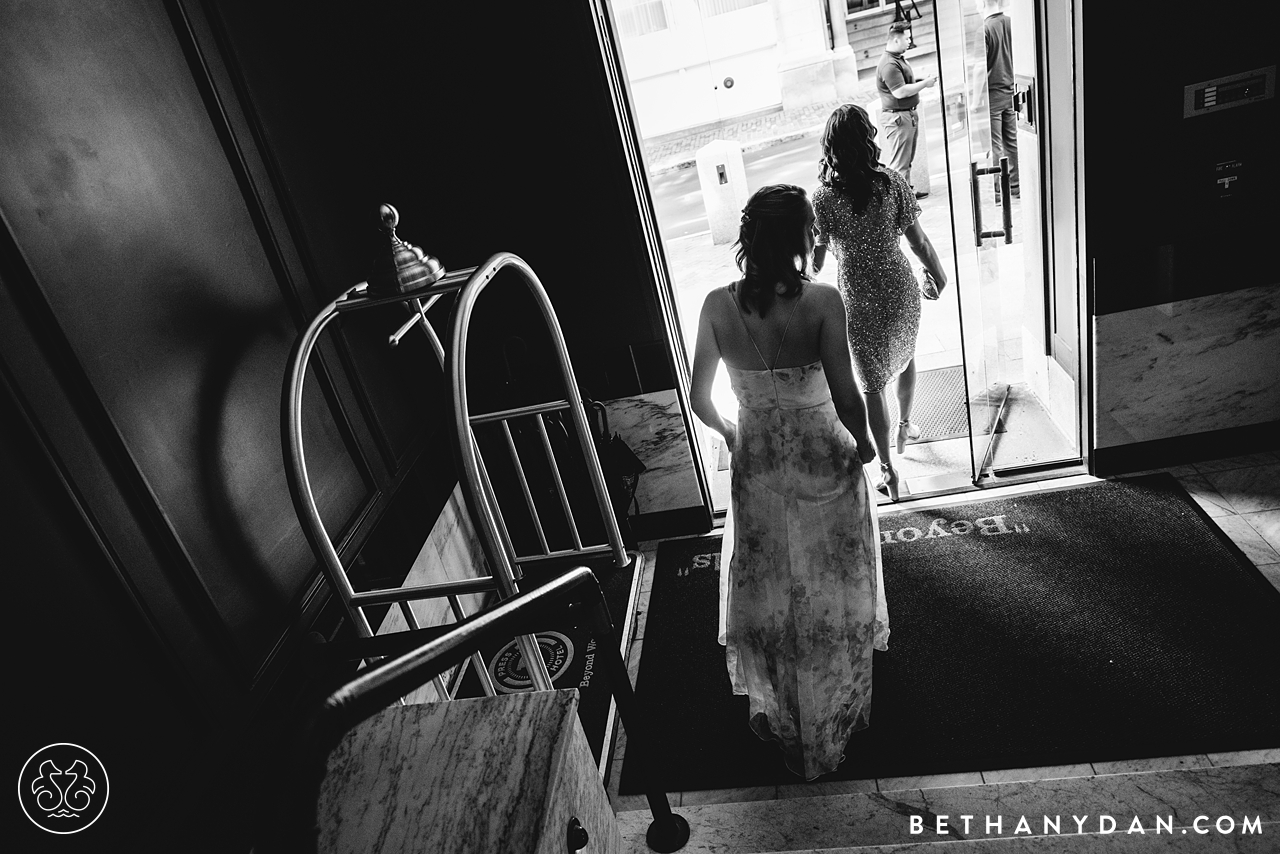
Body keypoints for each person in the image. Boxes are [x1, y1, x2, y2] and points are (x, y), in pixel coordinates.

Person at [689, 184, 889, 781]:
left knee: (773, 574)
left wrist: (731, 433)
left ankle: (783, 694)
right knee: (830, 567)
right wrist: (868, 444)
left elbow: (699, 398)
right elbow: (847, 394)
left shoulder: (715, 307)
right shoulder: (824, 301)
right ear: (798, 238)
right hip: (822, 457)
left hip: (760, 466)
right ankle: (833, 675)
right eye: (810, 228)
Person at [811, 104, 948, 501]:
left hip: (856, 297)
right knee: (905, 355)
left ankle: (888, 469)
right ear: (868, 139)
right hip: (899, 285)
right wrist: (938, 276)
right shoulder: (892, 182)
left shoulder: (823, 198)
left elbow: (816, 263)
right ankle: (906, 424)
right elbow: (918, 242)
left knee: (871, 383)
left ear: (831, 146)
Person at [874, 21, 936, 199]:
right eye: (907, 38)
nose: (910, 41)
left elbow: (903, 82)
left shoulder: (897, 58)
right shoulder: (889, 64)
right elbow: (899, 91)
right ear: (895, 40)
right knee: (900, 164)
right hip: (898, 118)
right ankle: (899, 202)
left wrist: (918, 80)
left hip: (905, 116)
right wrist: (925, 84)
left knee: (906, 161)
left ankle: (907, 195)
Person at [978, 0, 1019, 200]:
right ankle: (1015, 186)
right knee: (1011, 141)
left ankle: (998, 191)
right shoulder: (1011, 22)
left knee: (995, 145)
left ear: (983, 3)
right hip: (1010, 90)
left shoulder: (985, 29)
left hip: (993, 94)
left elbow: (980, 68)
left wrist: (975, 100)